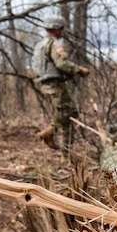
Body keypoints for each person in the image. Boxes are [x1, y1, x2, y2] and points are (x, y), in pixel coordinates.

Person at [32, 15, 89, 151]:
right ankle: (51, 134)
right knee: (68, 115)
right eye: (61, 28)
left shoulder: (39, 45)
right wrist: (79, 70)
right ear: (56, 28)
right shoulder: (54, 44)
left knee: (68, 114)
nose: (62, 31)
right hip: (55, 85)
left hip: (46, 85)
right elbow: (62, 63)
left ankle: (65, 150)